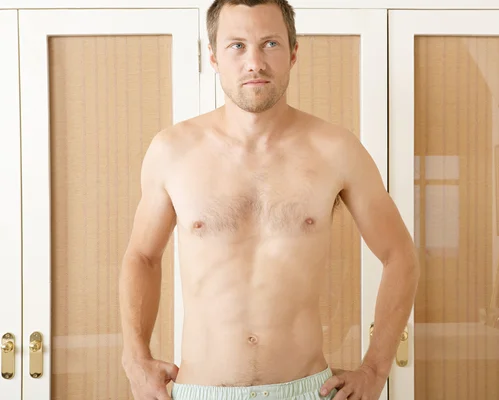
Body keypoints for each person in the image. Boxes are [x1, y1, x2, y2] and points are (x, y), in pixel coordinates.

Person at [118, 0, 419, 399]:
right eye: (237, 46)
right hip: (202, 391)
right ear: (213, 56)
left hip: (308, 390)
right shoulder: (172, 151)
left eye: (270, 44)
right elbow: (142, 256)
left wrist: (376, 369)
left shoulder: (336, 149)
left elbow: (400, 254)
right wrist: (135, 358)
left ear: (294, 53)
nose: (254, 62)